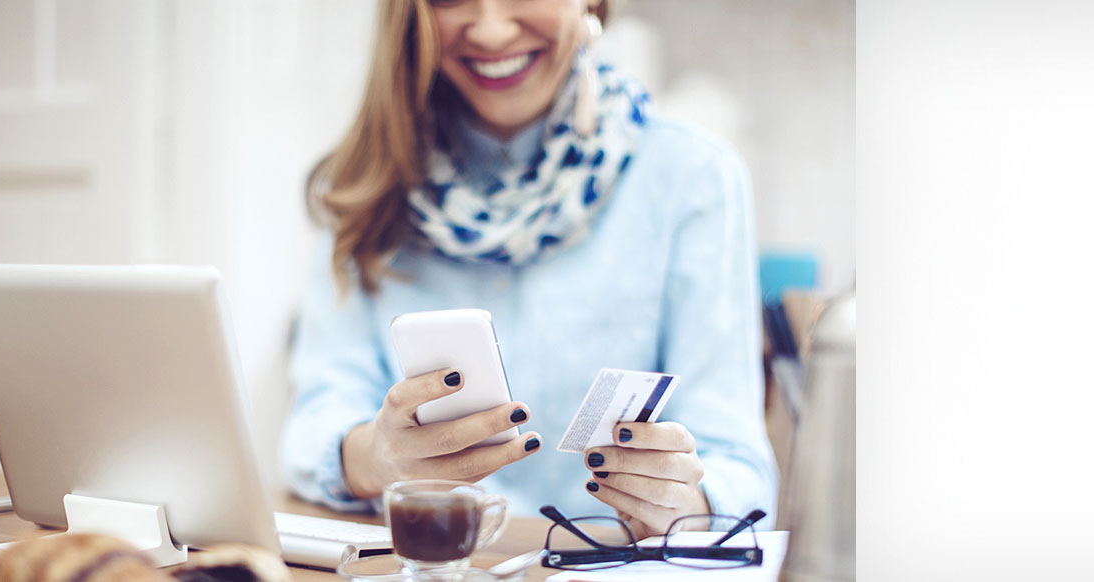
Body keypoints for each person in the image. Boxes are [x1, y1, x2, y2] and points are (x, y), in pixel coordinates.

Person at [279, 0, 775, 538]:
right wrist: (375, 455)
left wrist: (690, 500)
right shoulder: (362, 185)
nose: (491, 31)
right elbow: (312, 431)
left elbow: (740, 469)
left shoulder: (694, 180)